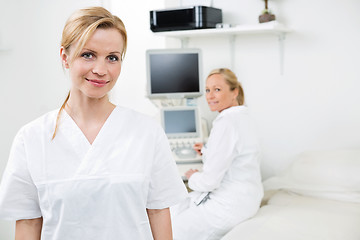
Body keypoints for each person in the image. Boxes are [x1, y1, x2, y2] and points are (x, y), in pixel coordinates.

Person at [0, 6, 187, 240]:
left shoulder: (146, 132)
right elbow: (28, 223)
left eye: (112, 58)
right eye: (87, 54)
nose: (100, 70)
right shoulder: (32, 138)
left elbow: (158, 211)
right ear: (65, 57)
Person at [171, 68, 264, 240]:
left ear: (234, 92)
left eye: (217, 90)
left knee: (170, 228)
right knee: (174, 208)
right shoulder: (243, 117)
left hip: (228, 207)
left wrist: (192, 176)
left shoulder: (225, 123)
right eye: (207, 90)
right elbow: (235, 155)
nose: (210, 96)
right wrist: (207, 150)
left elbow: (209, 182)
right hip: (248, 199)